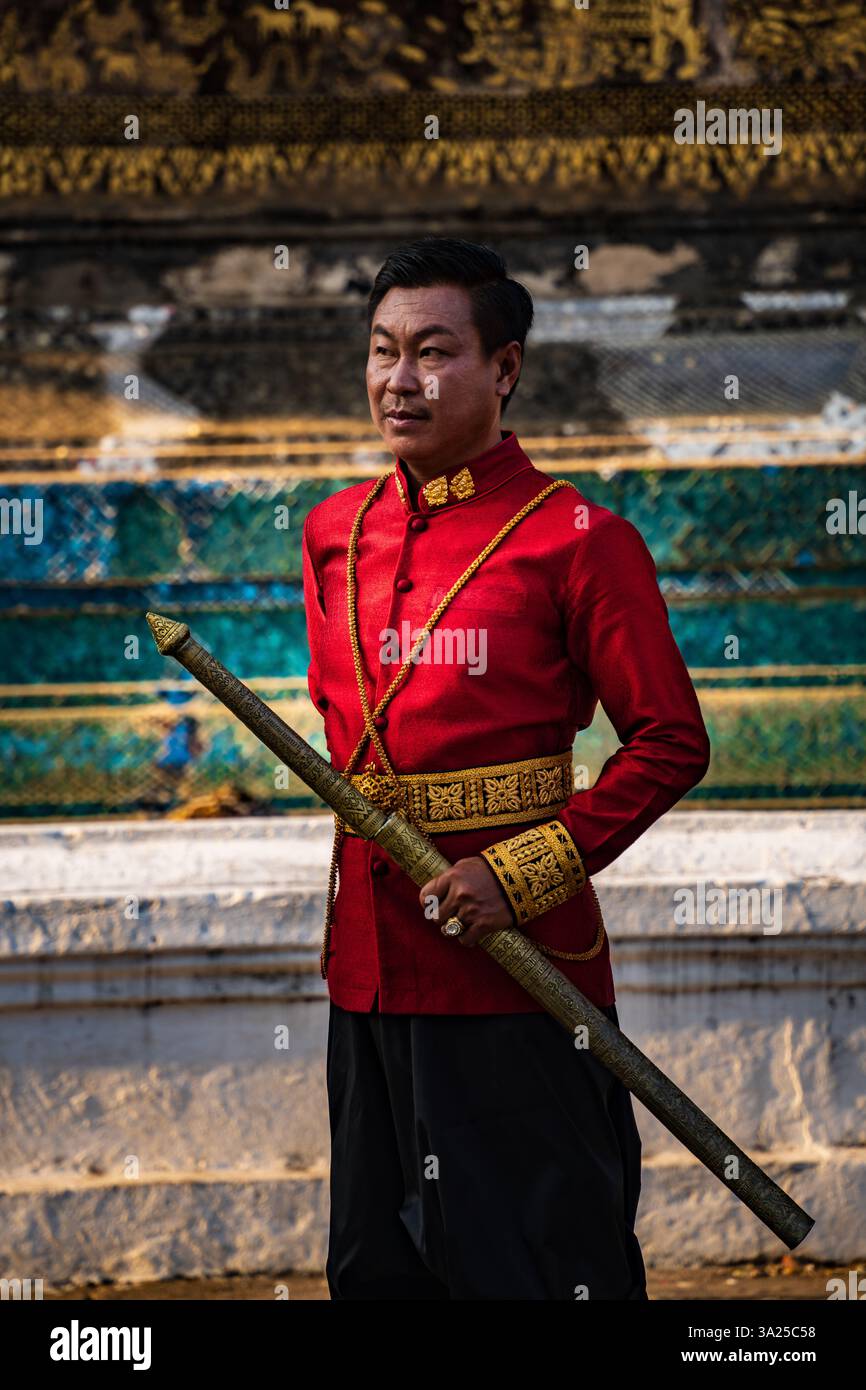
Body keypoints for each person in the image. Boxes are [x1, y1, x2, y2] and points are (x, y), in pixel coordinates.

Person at [301, 236, 711, 1300]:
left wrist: (520, 870)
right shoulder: (332, 533)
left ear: (505, 368)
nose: (399, 380)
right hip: (369, 970)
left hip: (516, 971)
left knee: (532, 1261)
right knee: (376, 1265)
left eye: (433, 352)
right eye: (383, 349)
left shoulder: (578, 539)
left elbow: (670, 740)